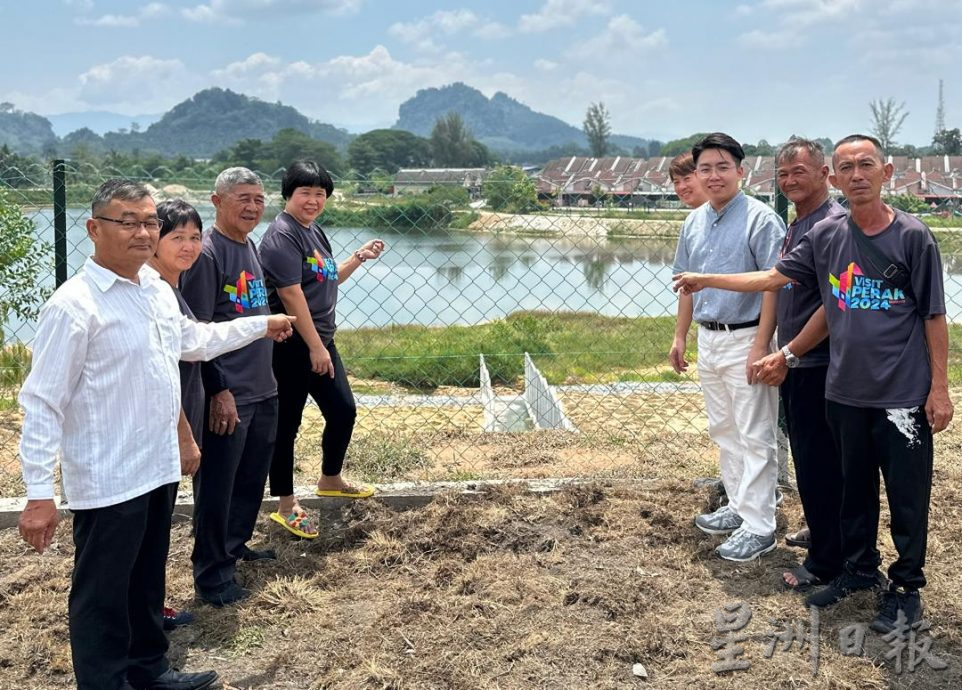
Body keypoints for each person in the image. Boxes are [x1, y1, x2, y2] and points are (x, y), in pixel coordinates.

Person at [17, 179, 294, 690]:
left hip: (157, 466)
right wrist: (39, 493)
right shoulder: (74, 306)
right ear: (94, 229)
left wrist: (261, 323)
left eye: (149, 222)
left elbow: (194, 342)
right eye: (128, 221)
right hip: (109, 476)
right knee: (103, 591)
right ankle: (105, 681)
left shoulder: (155, 291)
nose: (143, 232)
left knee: (146, 580)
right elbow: (41, 401)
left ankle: (149, 669)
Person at [673, 134, 952, 632]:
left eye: (866, 165)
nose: (857, 175)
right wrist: (707, 280)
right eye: (848, 167)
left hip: (901, 395)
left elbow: (934, 316)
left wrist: (939, 387)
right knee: (854, 490)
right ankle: (859, 570)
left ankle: (907, 587)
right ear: (836, 177)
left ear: (886, 173)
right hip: (845, 389)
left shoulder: (912, 237)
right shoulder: (826, 236)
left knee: (908, 495)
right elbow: (774, 281)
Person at [671, 133, 786, 562]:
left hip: (747, 335)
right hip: (710, 336)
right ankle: (739, 505)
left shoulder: (760, 218)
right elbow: (685, 283)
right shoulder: (694, 221)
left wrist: (761, 344)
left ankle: (761, 526)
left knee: (756, 433)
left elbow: (775, 283)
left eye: (723, 167)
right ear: (697, 174)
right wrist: (681, 336)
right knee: (725, 429)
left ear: (741, 171)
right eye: (705, 169)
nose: (713, 175)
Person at [259, 160, 385, 539]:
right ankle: (285, 505)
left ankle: (330, 478)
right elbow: (290, 294)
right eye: (305, 193)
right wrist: (315, 347)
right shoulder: (282, 235)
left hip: (320, 342)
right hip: (292, 344)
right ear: (288, 195)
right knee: (287, 426)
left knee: (343, 410)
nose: (313, 200)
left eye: (320, 194)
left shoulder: (312, 231)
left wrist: (357, 258)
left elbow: (328, 278)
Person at [180, 167, 280, 607]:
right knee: (217, 487)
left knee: (249, 481)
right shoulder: (206, 255)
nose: (252, 207)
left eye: (259, 199)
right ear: (217, 201)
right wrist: (217, 390)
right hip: (228, 393)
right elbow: (197, 334)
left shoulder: (250, 246)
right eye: (242, 198)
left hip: (263, 387)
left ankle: (235, 548)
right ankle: (212, 574)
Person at [764, 138, 847, 590]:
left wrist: (790, 350)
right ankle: (823, 532)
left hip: (817, 363)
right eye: (783, 174)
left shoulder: (830, 225)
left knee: (818, 461)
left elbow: (832, 305)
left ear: (824, 174)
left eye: (799, 171)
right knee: (811, 456)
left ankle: (826, 562)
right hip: (800, 361)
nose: (791, 180)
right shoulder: (799, 224)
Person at [146, 199, 206, 630]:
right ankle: (147, 611)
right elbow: (163, 375)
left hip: (174, 423)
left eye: (194, 238)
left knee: (158, 523)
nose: (188, 246)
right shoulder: (156, 291)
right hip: (163, 429)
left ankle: (151, 605)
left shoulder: (171, 288)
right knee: (149, 527)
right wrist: (184, 434)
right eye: (176, 237)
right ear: (154, 242)